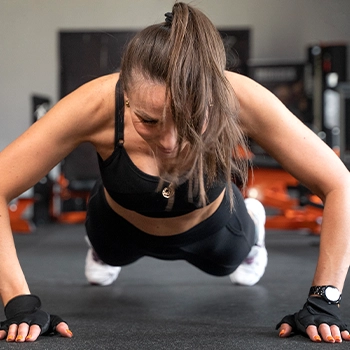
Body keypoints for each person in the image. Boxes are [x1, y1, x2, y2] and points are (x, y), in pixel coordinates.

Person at [0, 1, 349, 344]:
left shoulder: (239, 99)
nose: (168, 143)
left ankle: (252, 227)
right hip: (117, 226)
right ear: (126, 97)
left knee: (230, 264)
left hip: (213, 232)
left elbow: (339, 184)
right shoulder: (94, 104)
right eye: (148, 121)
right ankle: (100, 248)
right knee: (108, 251)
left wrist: (324, 300)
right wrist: (19, 303)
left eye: (190, 122)